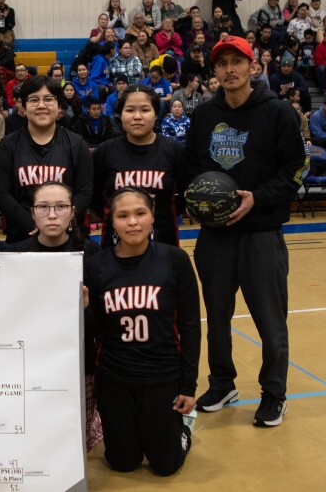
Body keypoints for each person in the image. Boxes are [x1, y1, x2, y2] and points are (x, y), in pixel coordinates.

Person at [187, 35, 308, 427]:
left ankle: (274, 393)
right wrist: (200, 201)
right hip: (215, 236)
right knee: (217, 319)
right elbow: (192, 167)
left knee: (271, 322)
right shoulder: (204, 116)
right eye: (221, 63)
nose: (229, 69)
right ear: (214, 71)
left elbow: (295, 170)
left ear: (253, 67)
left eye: (237, 61)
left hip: (261, 233)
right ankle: (223, 382)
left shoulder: (278, 113)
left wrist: (258, 197)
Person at [86, 187, 200, 476]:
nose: (133, 222)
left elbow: (189, 327)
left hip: (162, 376)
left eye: (140, 213)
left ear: (152, 217)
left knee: (165, 465)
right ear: (112, 221)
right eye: (123, 216)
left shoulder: (174, 260)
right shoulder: (97, 265)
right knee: (122, 462)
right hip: (114, 377)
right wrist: (85, 309)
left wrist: (189, 386)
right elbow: (94, 331)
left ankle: (183, 430)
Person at [4, 182, 103, 452]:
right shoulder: (14, 254)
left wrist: (85, 308)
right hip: (29, 365)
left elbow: (102, 327)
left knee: (75, 446)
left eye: (60, 207)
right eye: (43, 207)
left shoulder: (92, 256)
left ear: (72, 212)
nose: (51, 214)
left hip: (80, 365)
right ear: (32, 213)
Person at [0, 76, 93, 243]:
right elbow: (1, 193)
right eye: (33, 100)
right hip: (22, 236)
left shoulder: (77, 144)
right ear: (23, 107)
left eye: (48, 99)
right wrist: (32, 223)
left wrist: (63, 220)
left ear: (59, 105)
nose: (41, 105)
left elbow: (85, 191)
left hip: (68, 236)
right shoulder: (7, 146)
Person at [92, 86, 188, 248]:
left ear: (156, 114)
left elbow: (183, 198)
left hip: (164, 243)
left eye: (145, 110)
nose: (137, 116)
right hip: (115, 244)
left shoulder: (175, 151)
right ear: (120, 115)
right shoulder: (104, 152)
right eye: (129, 110)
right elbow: (94, 199)